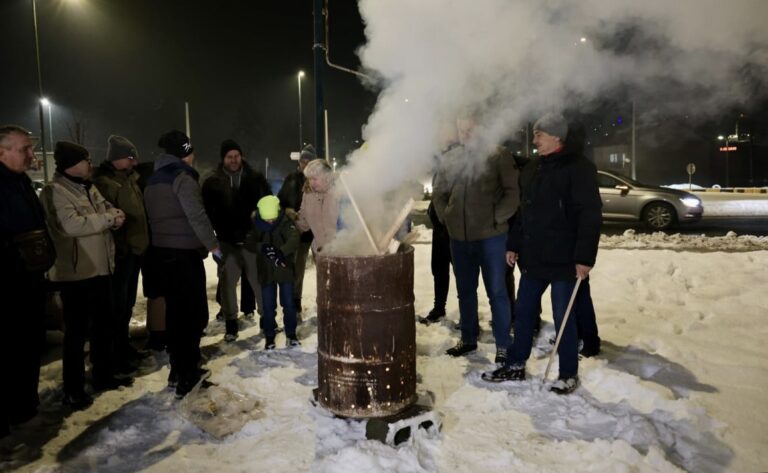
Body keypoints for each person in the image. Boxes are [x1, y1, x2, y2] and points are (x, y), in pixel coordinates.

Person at [482, 113, 602, 394]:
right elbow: (524, 212)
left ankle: (568, 373)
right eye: (534, 134)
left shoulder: (579, 167)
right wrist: (514, 244)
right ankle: (515, 364)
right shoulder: (534, 168)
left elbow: (590, 215)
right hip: (534, 259)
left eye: (539, 134)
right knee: (523, 314)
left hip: (565, 261)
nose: (534, 140)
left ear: (556, 136)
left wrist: (585, 258)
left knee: (564, 318)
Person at [41, 141, 133, 410]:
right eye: (86, 160)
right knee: (77, 333)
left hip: (101, 269)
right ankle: (73, 389)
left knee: (104, 325)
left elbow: (107, 210)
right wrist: (107, 220)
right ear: (73, 163)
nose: (90, 164)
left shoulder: (88, 187)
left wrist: (111, 216)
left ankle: (103, 375)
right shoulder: (54, 191)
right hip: (75, 274)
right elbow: (71, 225)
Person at [432, 116, 520, 365]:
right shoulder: (451, 159)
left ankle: (503, 344)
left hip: (491, 238)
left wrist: (495, 218)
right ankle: (468, 338)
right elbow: (439, 194)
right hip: (459, 239)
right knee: (465, 292)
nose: (465, 134)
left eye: (470, 129)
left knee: (497, 292)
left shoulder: (498, 155)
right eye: (461, 130)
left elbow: (513, 193)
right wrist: (447, 218)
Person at [144, 130, 221, 398]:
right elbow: (196, 215)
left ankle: (177, 371)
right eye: (190, 152)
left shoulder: (153, 179)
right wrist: (213, 245)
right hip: (184, 257)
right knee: (193, 315)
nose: (194, 156)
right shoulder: (183, 177)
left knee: (176, 315)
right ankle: (189, 375)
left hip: (162, 254)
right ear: (184, 153)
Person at [0, 125, 56, 435]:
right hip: (7, 285)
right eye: (25, 149)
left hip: (30, 281)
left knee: (29, 346)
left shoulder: (21, 182)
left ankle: (25, 410)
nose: (32, 155)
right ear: (1, 151)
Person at [202, 139, 271, 342]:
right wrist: (213, 238)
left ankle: (266, 319)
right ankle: (231, 324)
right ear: (223, 159)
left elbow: (268, 204)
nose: (233, 160)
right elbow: (205, 212)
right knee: (227, 284)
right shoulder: (212, 183)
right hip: (226, 241)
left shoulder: (255, 179)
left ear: (242, 156)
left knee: (258, 282)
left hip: (250, 240)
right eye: (229, 156)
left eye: (236, 156)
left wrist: (259, 221)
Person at [92, 135, 150, 371]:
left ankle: (123, 346)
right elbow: (111, 219)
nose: (134, 163)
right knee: (116, 307)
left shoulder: (128, 179)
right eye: (130, 158)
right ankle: (115, 354)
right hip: (121, 254)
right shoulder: (106, 183)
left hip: (134, 251)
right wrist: (123, 246)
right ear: (117, 158)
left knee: (126, 306)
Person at [247, 195, 301, 349]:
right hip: (266, 271)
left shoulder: (285, 221)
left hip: (284, 269)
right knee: (268, 306)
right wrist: (262, 247)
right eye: (267, 220)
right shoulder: (256, 223)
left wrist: (281, 252)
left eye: (272, 219)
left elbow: (294, 238)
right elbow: (249, 242)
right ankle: (269, 335)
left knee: (289, 304)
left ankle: (291, 333)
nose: (270, 222)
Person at [278, 144, 317, 313]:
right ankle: (296, 300)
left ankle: (326, 298)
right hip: (298, 233)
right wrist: (287, 211)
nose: (305, 163)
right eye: (303, 160)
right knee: (298, 268)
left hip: (318, 232)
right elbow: (281, 201)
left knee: (325, 269)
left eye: (309, 160)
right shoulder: (291, 179)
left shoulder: (320, 180)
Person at [295, 159, 340, 253]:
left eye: (315, 179)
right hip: (320, 252)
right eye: (309, 179)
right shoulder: (308, 195)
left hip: (342, 251)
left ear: (327, 177)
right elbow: (303, 223)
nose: (311, 183)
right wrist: (287, 219)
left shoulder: (340, 192)